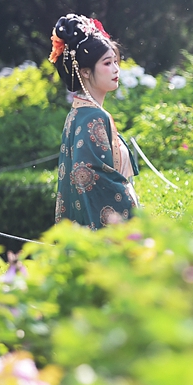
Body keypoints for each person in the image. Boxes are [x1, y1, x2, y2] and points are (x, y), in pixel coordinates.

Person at [49, 13, 139, 229]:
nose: (116, 69)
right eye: (107, 63)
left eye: (116, 62)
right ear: (85, 72)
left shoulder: (79, 113)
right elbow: (92, 178)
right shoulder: (93, 117)